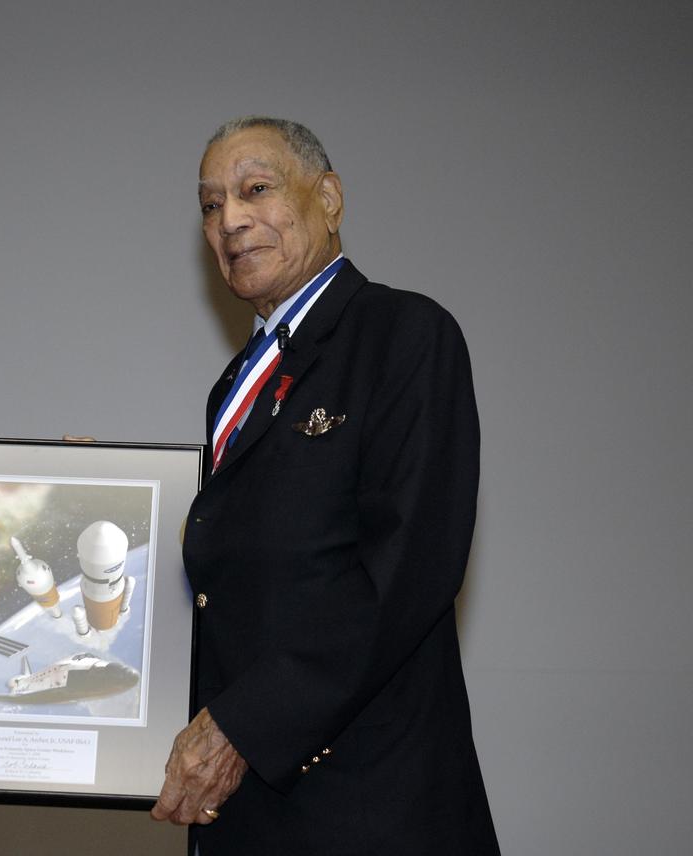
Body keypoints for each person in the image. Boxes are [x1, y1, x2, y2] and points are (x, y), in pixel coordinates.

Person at [151, 116, 500, 854]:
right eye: (210, 204)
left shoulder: (404, 334)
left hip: (369, 809)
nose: (229, 220)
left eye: (255, 190)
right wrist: (99, 507)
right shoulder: (237, 386)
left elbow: (406, 571)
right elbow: (244, 582)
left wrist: (241, 725)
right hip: (252, 814)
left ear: (330, 198)